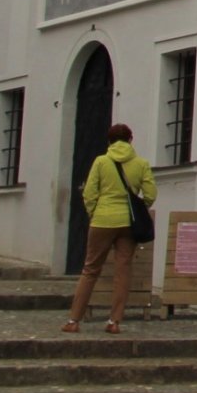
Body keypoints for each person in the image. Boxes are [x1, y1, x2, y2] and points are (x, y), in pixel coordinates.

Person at [63, 122, 156, 334]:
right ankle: (114, 322)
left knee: (90, 269)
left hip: (102, 220)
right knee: (123, 271)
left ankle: (73, 320)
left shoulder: (101, 161)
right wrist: (141, 208)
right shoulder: (141, 164)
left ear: (109, 141)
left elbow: (89, 192)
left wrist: (93, 211)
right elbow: (150, 192)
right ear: (130, 140)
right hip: (128, 223)